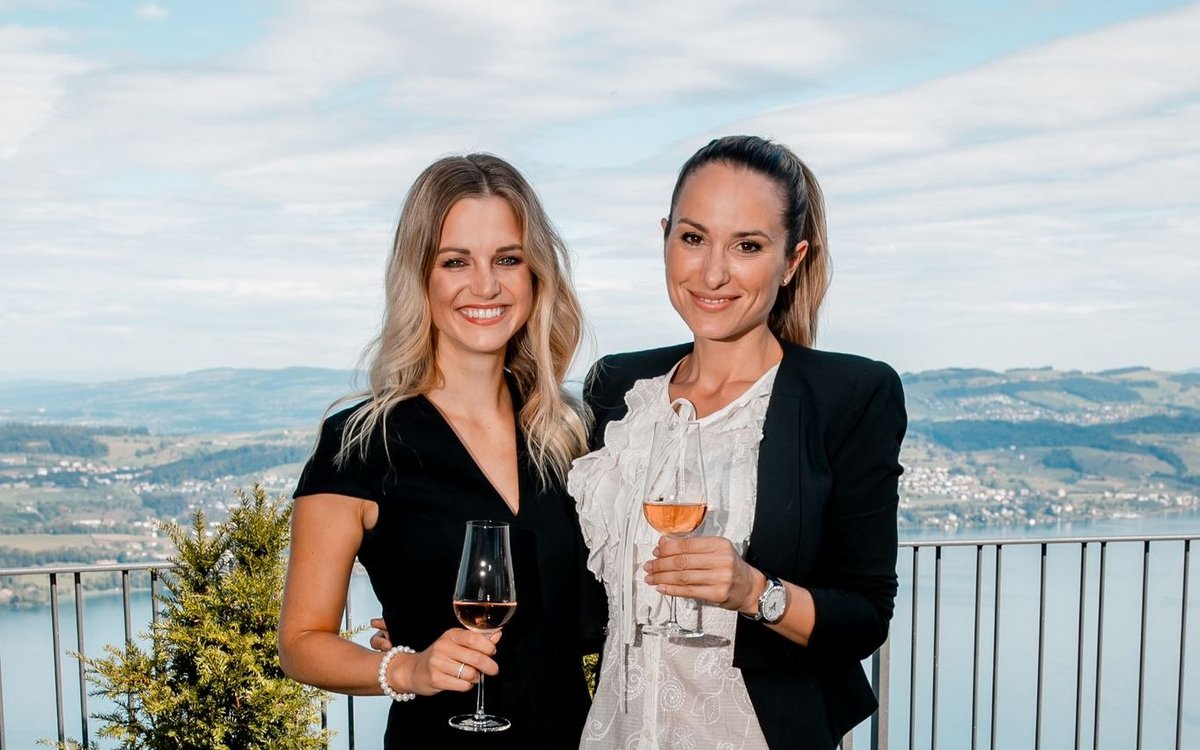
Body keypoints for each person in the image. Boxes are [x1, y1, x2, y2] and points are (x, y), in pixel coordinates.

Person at [569, 135, 907, 749]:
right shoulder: (617, 387)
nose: (712, 273)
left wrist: (755, 592)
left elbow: (865, 616)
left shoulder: (850, 395)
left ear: (792, 260)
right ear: (665, 238)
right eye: (693, 238)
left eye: (747, 246)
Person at [278, 153, 600, 748]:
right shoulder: (360, 444)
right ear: (420, 277)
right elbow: (301, 644)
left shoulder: (574, 435)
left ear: (536, 275)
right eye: (455, 261)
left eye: (508, 259)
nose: (486, 285)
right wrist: (408, 668)